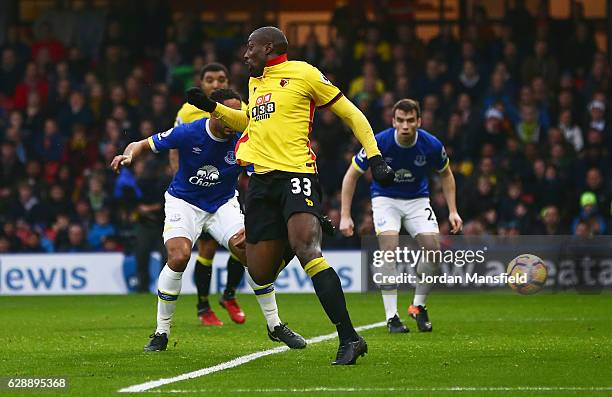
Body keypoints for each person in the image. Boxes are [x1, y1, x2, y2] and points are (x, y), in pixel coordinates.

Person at [186, 26, 395, 365]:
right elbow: (252, 125)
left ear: (268, 47)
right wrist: (213, 108)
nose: (244, 55)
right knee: (260, 272)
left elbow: (350, 113)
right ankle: (299, 223)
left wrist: (374, 156)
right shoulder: (256, 84)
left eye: (250, 48)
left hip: (296, 174)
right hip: (260, 184)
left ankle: (348, 337)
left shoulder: (304, 73)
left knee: (307, 249)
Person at [110, 89, 306, 352]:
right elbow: (141, 144)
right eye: (229, 115)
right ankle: (161, 333)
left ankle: (275, 325)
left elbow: (265, 178)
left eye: (239, 115)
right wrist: (129, 155)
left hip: (223, 204)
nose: (234, 121)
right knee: (178, 258)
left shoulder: (243, 139)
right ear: (214, 113)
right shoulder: (190, 132)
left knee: (251, 255)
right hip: (184, 201)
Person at [340, 98, 462, 333]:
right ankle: (391, 317)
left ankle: (418, 306)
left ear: (419, 121)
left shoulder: (432, 145)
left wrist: (453, 211)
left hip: (417, 200)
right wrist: (345, 215)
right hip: (385, 199)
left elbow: (446, 175)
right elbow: (351, 175)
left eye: (410, 120)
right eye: (400, 120)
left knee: (434, 252)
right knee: (389, 248)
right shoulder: (379, 142)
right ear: (393, 121)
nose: (405, 125)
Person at [173, 62, 248, 326]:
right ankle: (203, 306)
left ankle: (229, 294)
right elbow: (175, 146)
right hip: (197, 189)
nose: (216, 84)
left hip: (229, 187)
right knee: (206, 249)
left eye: (221, 79)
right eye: (210, 80)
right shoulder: (188, 112)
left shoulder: (241, 109)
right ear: (201, 84)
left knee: (242, 242)